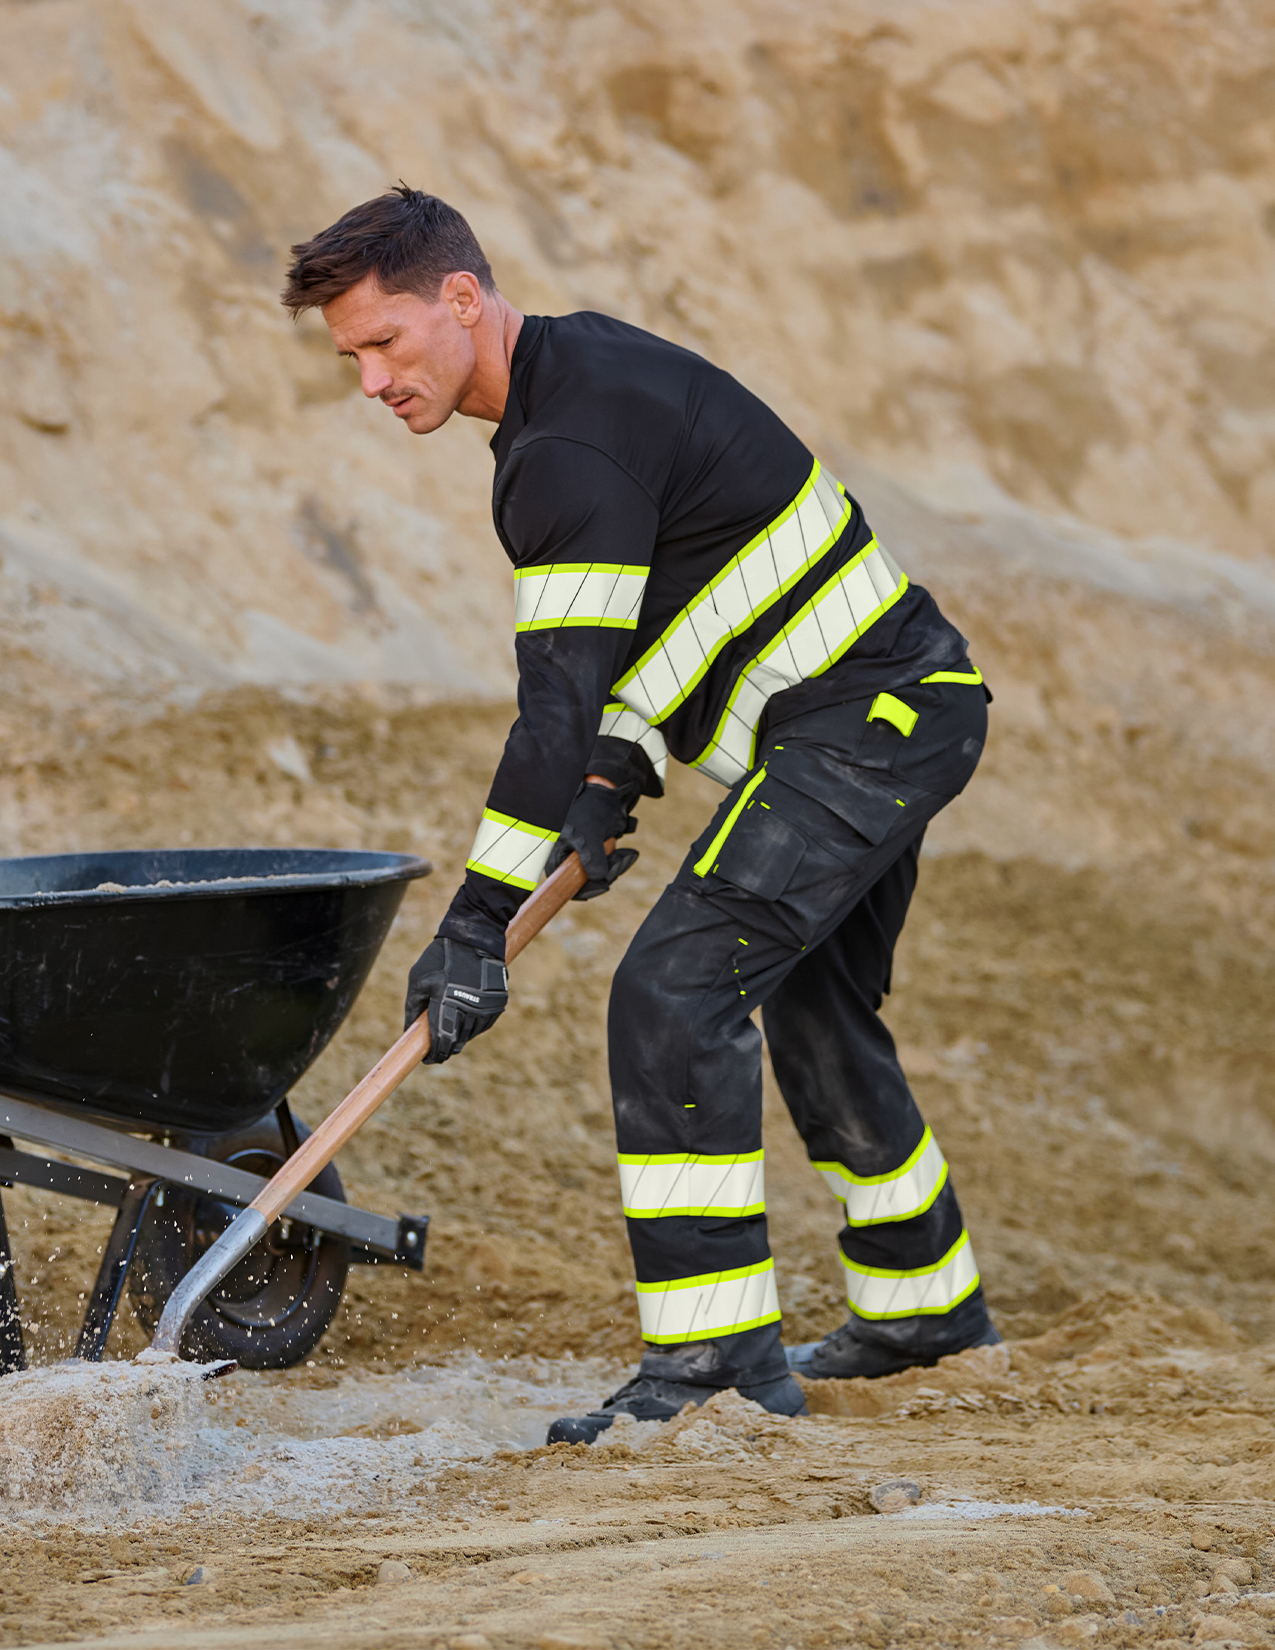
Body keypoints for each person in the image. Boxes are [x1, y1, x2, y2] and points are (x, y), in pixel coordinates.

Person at [282, 186, 1000, 1445]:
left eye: (385, 343)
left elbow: (552, 708)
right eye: (351, 358)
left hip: (869, 720)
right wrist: (611, 781)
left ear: (463, 299)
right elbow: (663, 624)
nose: (371, 381)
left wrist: (474, 920)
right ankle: (924, 1301)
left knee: (674, 992)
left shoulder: (562, 450)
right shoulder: (580, 380)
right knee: (811, 998)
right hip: (886, 707)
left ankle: (717, 1362)